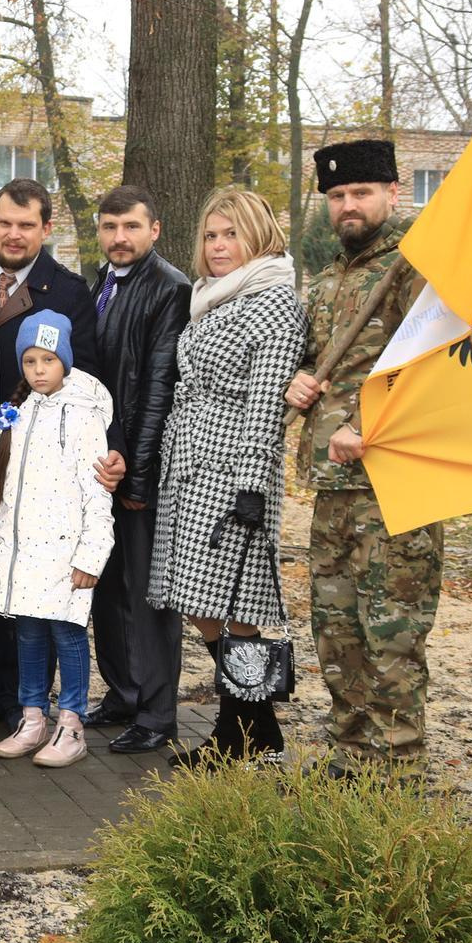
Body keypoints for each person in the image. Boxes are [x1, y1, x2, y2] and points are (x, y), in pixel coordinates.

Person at [286, 139, 441, 772]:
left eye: (361, 194)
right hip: (332, 486)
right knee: (337, 629)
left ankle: (398, 772)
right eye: (338, 196)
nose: (348, 206)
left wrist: (371, 425)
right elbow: (320, 363)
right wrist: (298, 377)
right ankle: (350, 761)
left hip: (391, 485)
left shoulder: (416, 270)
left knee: (391, 635)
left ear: (391, 194)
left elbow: (436, 370)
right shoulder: (329, 280)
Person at [151, 187, 306, 763]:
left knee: (236, 605)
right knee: (200, 600)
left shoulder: (272, 302)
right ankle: (257, 726)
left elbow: (266, 403)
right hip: (192, 466)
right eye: (211, 235)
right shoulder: (213, 298)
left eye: (231, 234)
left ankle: (237, 735)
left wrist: (251, 487)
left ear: (258, 235)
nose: (218, 246)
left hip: (234, 469)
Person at [0, 179, 97, 731]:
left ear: (46, 229)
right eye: (5, 222)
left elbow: (86, 377)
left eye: (26, 225)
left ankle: (29, 701)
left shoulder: (68, 291)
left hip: (42, 456)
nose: (13, 234)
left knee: (35, 576)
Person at [0, 310, 115, 768]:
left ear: (67, 363)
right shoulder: (18, 412)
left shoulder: (82, 416)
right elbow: (7, 486)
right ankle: (33, 716)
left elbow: (97, 491)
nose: (39, 371)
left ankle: (71, 722)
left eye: (48, 361)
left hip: (64, 551)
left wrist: (91, 555)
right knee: (29, 634)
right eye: (30, 361)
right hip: (21, 553)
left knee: (68, 633)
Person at [84, 184, 192, 754]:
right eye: (109, 227)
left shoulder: (169, 289)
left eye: (130, 227)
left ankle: (157, 713)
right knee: (107, 587)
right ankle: (122, 692)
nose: (119, 238)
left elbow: (157, 388)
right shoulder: (100, 281)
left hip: (139, 469)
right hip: (104, 464)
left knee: (148, 595)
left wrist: (140, 476)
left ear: (154, 230)